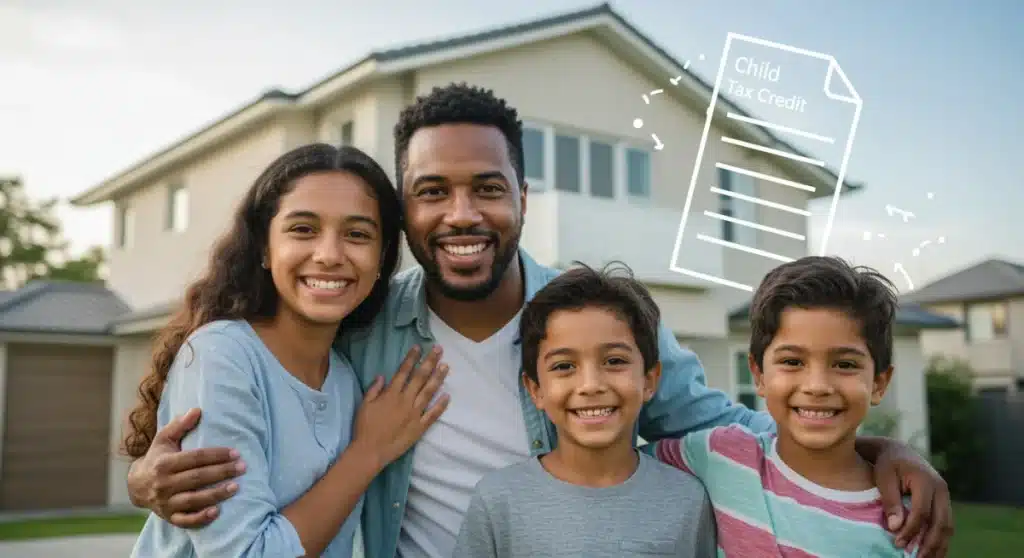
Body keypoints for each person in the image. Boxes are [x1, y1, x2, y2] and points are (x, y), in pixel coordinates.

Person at [122, 83, 954, 558]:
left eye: (487, 187)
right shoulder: (362, 326)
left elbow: (736, 430)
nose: (461, 214)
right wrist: (147, 487)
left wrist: (882, 447)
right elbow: (258, 414)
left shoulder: (598, 325)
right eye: (432, 192)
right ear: (404, 213)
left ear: (524, 198)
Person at [125, 144, 450, 558]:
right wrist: (367, 452)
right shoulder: (222, 356)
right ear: (264, 246)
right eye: (303, 229)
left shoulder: (346, 380)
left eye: (357, 234)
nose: (330, 255)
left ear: (382, 257)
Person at [648, 256, 922, 557]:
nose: (817, 386)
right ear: (758, 375)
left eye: (845, 364)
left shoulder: (904, 522)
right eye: (792, 362)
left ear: (880, 383)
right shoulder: (718, 454)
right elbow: (616, 464)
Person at [452, 263, 716, 558]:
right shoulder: (497, 501)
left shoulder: (687, 500)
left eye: (614, 361)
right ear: (535, 389)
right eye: (564, 366)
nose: (590, 385)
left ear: (649, 380)